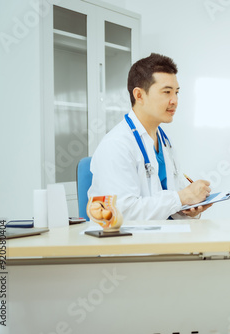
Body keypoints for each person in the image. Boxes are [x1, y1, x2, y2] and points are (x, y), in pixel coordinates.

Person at [88, 53, 211, 220]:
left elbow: (167, 202)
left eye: (176, 92)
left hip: (165, 238)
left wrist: (189, 207)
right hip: (130, 243)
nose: (174, 100)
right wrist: (181, 198)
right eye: (167, 92)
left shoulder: (165, 142)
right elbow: (121, 213)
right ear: (139, 95)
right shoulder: (116, 145)